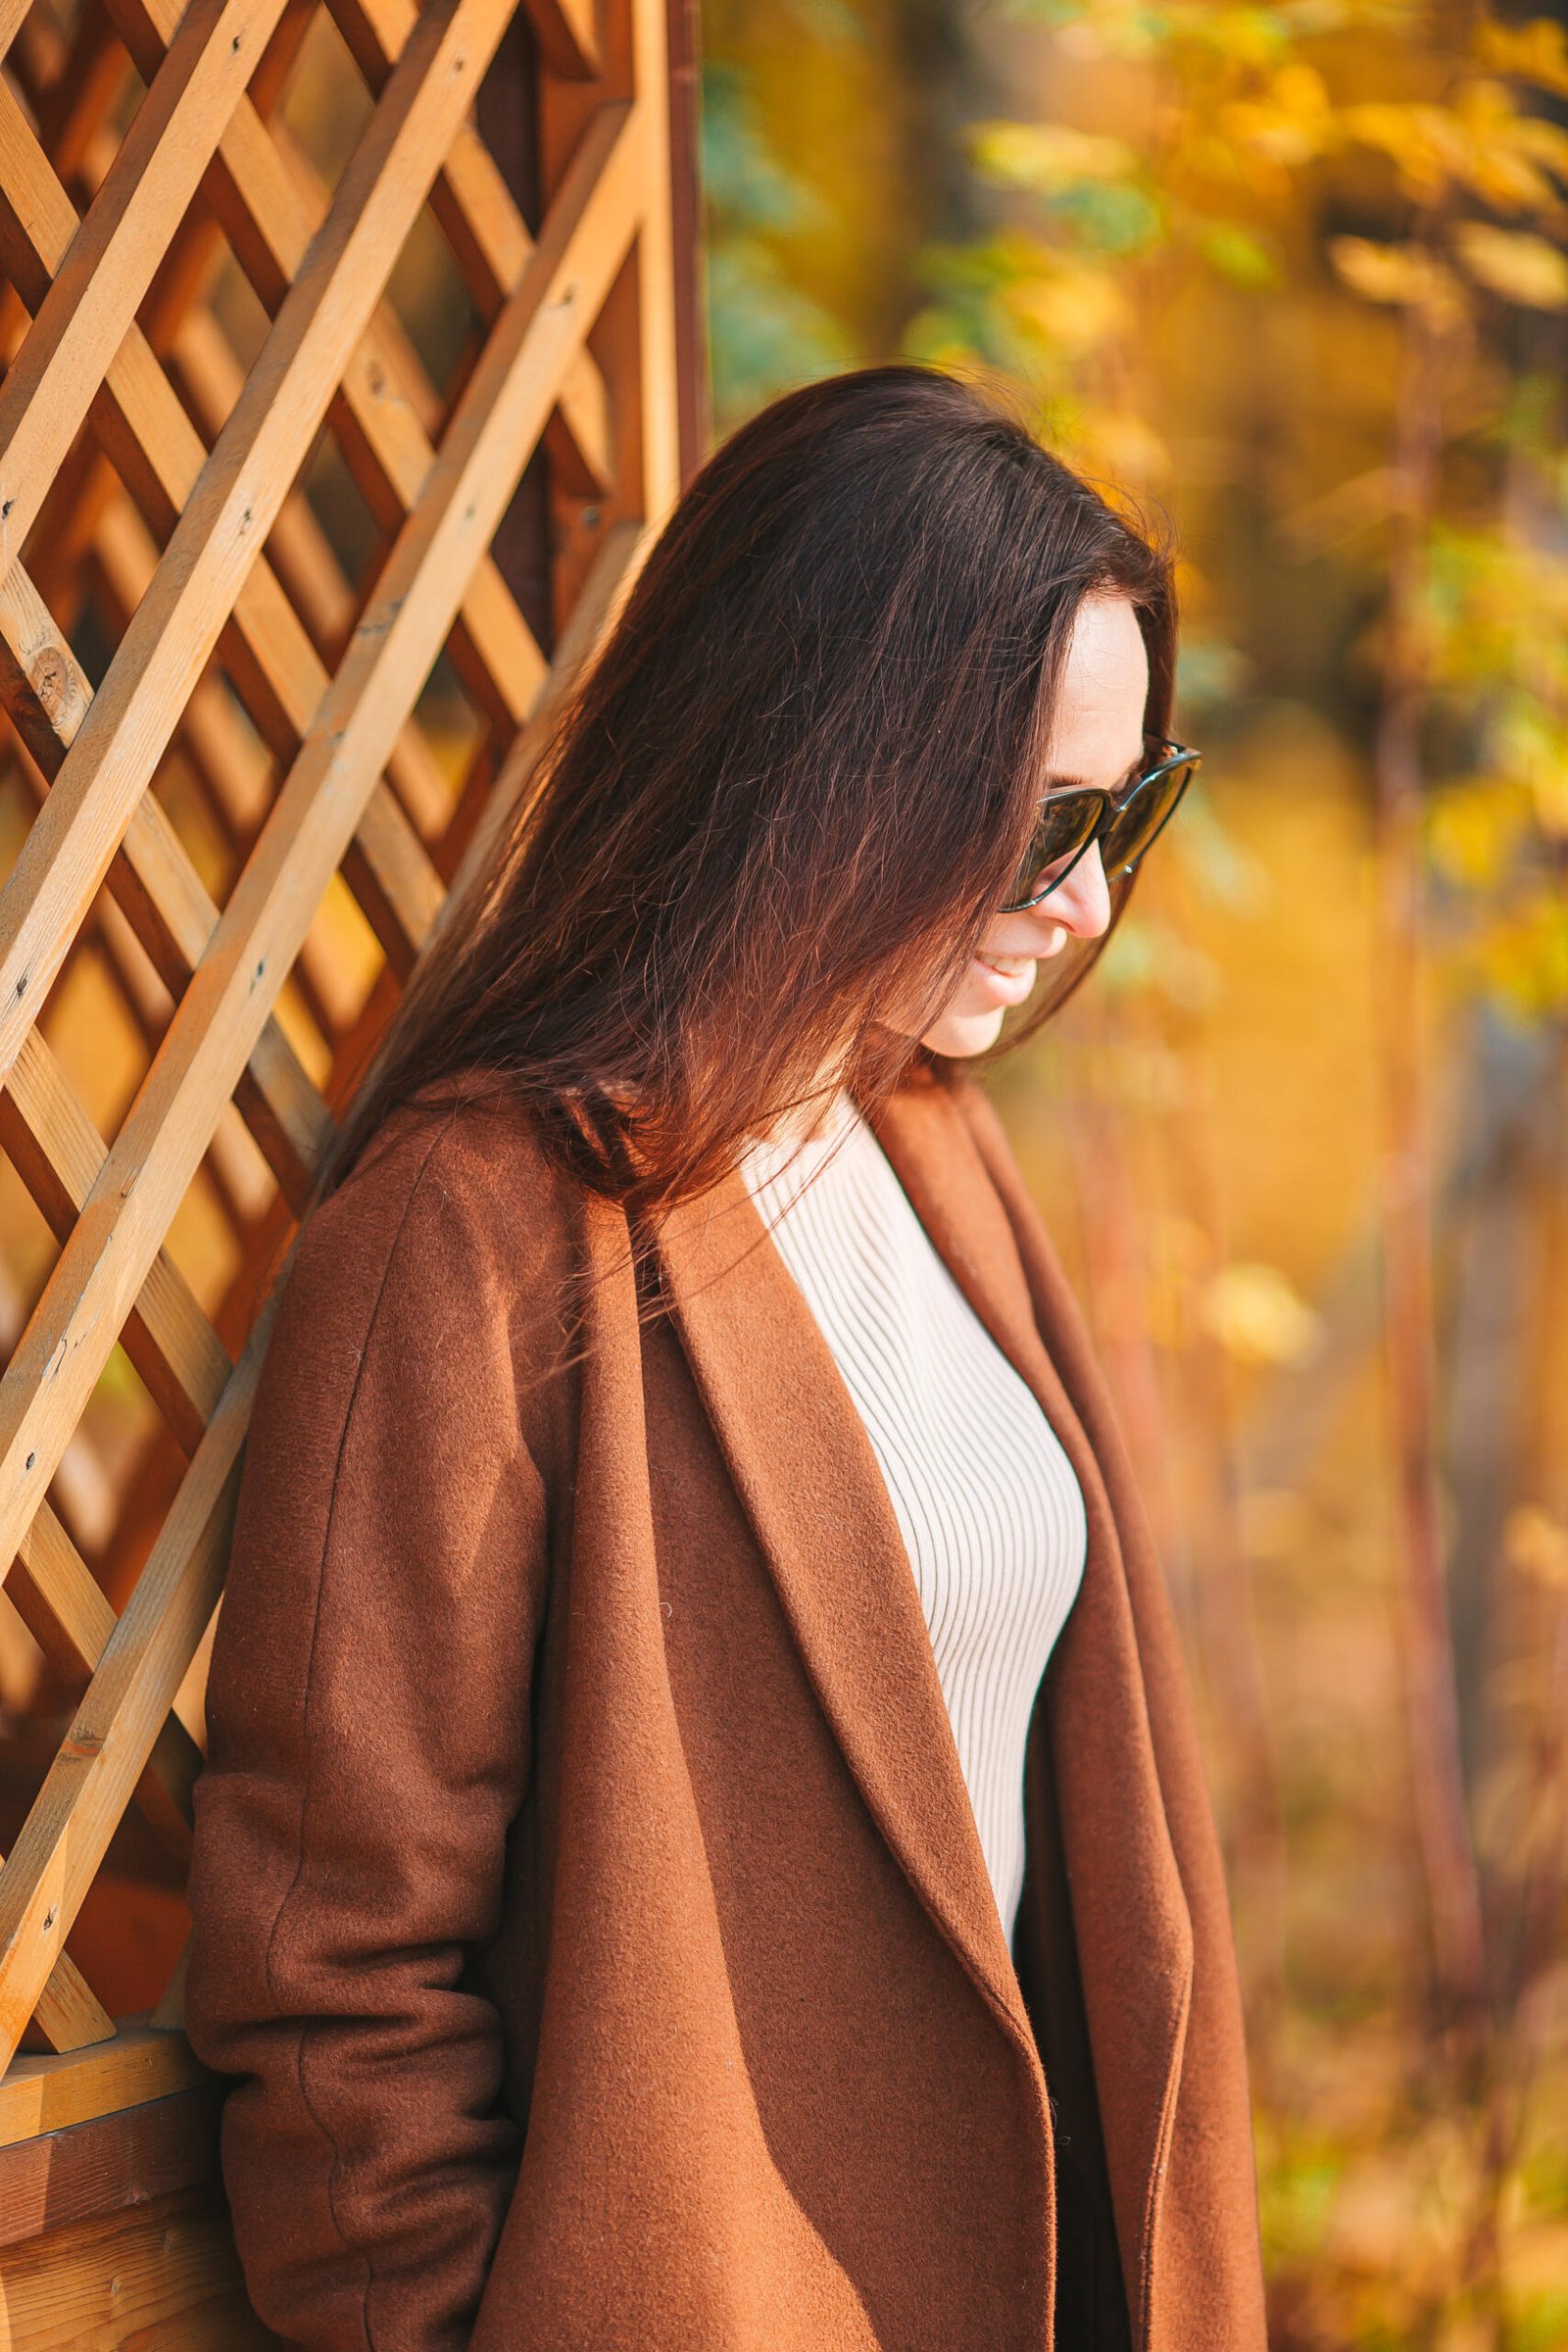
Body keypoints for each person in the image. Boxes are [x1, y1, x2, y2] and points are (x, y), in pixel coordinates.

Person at [183, 362, 1269, 2351]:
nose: (1086, 897)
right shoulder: (476, 1229)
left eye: (1127, 807)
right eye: (1033, 820)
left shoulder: (929, 1140)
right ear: (822, 764)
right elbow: (331, 1983)